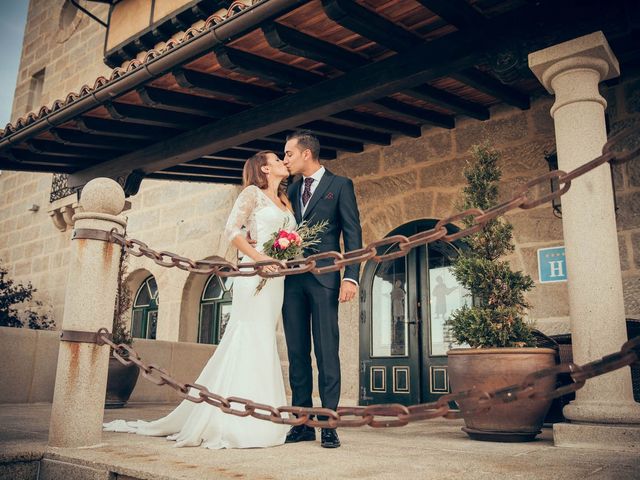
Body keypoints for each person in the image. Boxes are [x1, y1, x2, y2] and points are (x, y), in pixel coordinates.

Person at [103, 151, 293, 449]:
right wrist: (259, 258)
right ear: (265, 168)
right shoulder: (251, 194)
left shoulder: (286, 201)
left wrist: (285, 255)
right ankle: (236, 418)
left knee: (264, 336)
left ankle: (265, 413)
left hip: (276, 279)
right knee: (248, 334)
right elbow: (232, 230)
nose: (284, 162)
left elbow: (285, 235)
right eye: (278, 159)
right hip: (255, 271)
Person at [281, 130, 363, 449]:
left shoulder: (340, 185)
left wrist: (351, 276)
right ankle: (302, 423)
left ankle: (328, 422)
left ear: (306, 154)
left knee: (327, 351)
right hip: (292, 280)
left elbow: (352, 233)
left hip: (326, 279)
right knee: (297, 351)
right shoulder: (290, 188)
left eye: (288, 153)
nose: (285, 159)